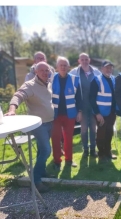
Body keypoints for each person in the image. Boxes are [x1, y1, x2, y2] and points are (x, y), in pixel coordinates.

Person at [5, 61, 54, 193]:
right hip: (39, 125)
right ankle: (35, 180)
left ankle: (42, 171)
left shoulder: (48, 83)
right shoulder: (30, 85)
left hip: (49, 122)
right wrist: (12, 110)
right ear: (36, 72)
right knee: (46, 151)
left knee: (41, 150)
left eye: (47, 70)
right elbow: (18, 96)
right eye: (43, 70)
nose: (46, 72)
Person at [51, 56, 82, 170]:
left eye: (65, 65)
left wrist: (80, 111)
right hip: (55, 114)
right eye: (61, 65)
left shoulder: (75, 79)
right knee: (55, 138)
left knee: (68, 138)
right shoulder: (51, 78)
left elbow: (79, 97)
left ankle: (69, 160)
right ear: (57, 67)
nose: (63, 67)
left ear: (68, 67)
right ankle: (57, 161)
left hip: (70, 114)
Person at [69, 53, 101, 158]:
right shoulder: (74, 72)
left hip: (93, 106)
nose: (84, 61)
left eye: (86, 59)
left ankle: (92, 148)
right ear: (79, 61)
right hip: (81, 107)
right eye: (82, 59)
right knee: (83, 129)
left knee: (93, 128)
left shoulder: (96, 72)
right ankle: (85, 149)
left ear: (89, 60)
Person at [89, 60, 117, 161]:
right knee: (101, 133)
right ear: (102, 69)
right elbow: (91, 98)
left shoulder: (114, 79)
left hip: (111, 113)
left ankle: (108, 151)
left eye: (110, 67)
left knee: (109, 132)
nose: (109, 69)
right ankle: (101, 154)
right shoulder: (96, 80)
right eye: (106, 67)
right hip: (101, 113)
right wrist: (97, 113)